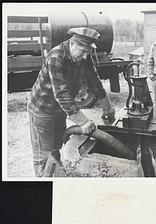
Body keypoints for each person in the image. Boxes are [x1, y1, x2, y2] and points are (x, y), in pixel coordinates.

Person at [27, 27, 115, 177]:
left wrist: (108, 108)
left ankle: (55, 174)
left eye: (88, 52)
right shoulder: (56, 57)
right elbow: (62, 95)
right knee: (44, 153)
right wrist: (83, 122)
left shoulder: (83, 56)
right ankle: (44, 180)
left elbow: (95, 83)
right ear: (72, 44)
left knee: (56, 146)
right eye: (83, 51)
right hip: (43, 110)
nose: (86, 56)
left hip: (59, 109)